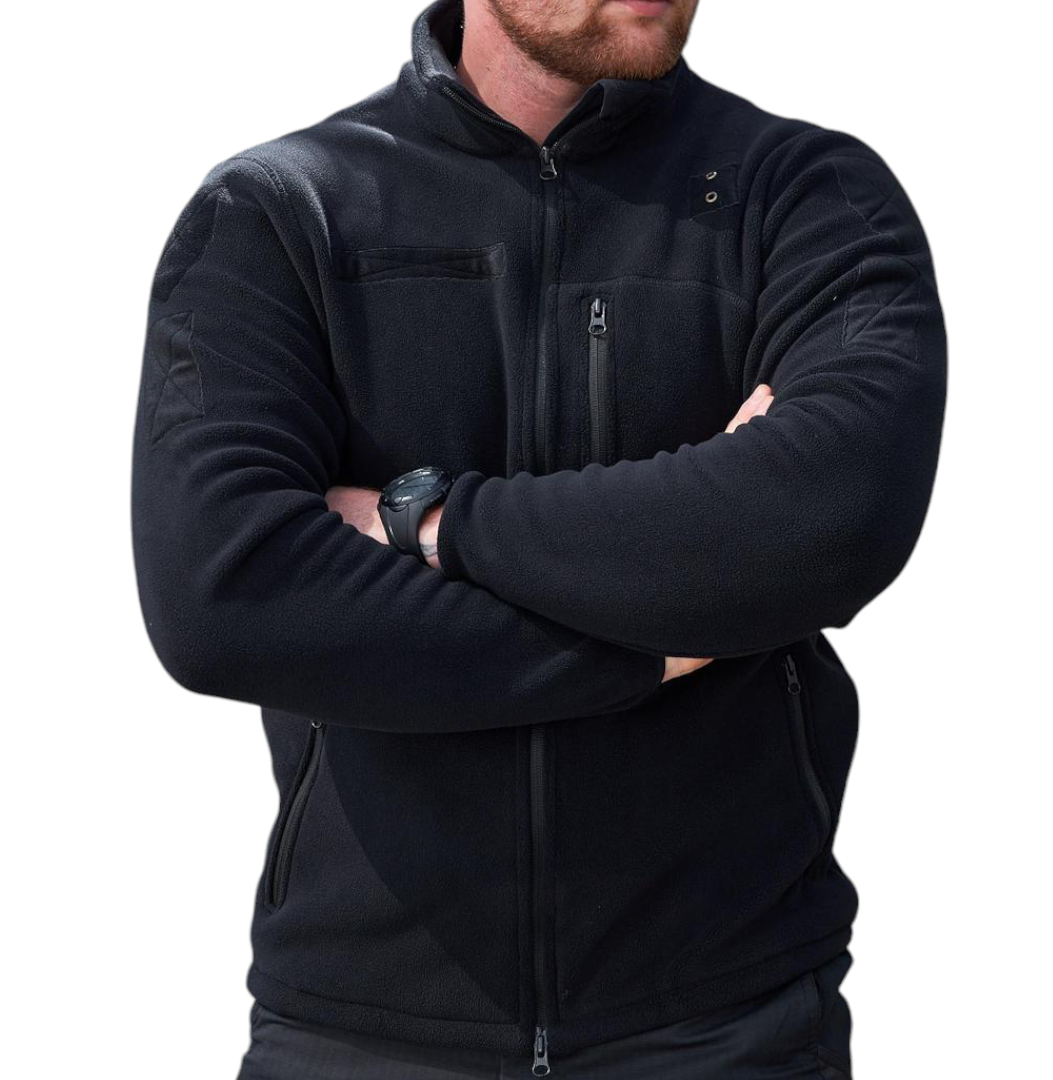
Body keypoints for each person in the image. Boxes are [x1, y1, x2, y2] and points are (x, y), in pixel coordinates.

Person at [130, 0, 946, 1075]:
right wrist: (656, 645)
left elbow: (827, 519)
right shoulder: (284, 211)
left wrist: (431, 520)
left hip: (728, 1021)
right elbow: (224, 598)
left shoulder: (804, 194)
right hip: (359, 1029)